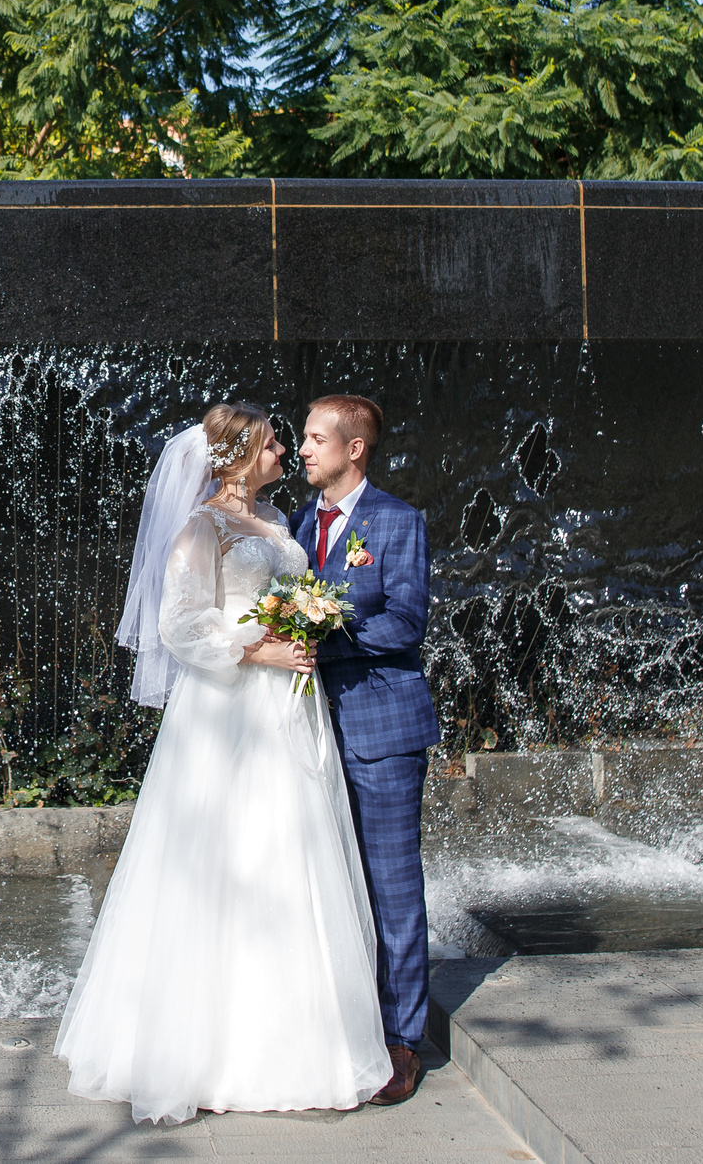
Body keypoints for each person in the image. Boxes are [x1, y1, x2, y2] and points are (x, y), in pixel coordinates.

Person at [55, 402, 391, 1125]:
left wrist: (303, 626)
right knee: (221, 860)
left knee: (286, 856)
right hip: (228, 710)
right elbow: (178, 625)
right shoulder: (200, 528)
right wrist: (259, 649)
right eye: (272, 444)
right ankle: (200, 1054)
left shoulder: (276, 521)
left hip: (289, 708)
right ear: (237, 456)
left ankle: (291, 1044)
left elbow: (285, 595)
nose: (284, 453)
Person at [291, 392, 435, 1106]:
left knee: (391, 885)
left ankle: (402, 1039)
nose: (302, 449)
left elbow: (407, 620)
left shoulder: (398, 521)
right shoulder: (296, 522)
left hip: (382, 727)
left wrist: (327, 632)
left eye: (316, 438)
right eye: (302, 437)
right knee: (329, 882)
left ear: (354, 449)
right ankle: (345, 1025)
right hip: (309, 732)